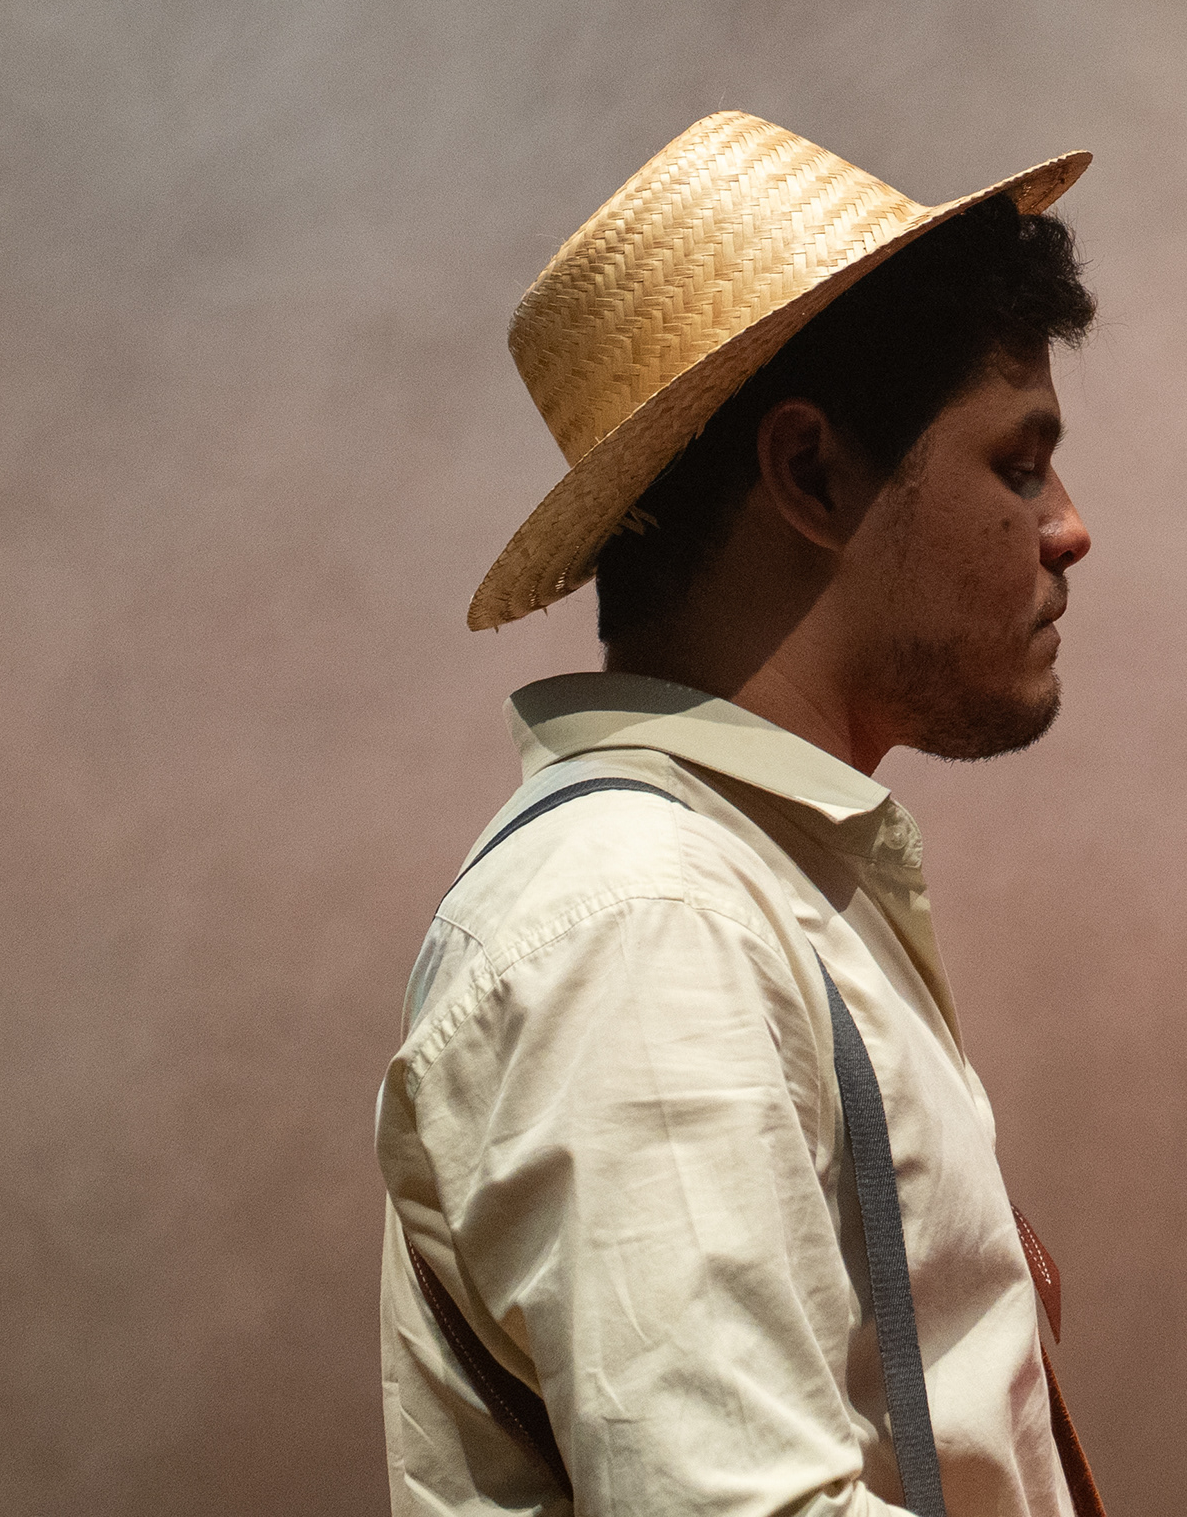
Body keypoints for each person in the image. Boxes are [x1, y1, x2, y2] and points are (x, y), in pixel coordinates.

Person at [379, 111, 1112, 1517]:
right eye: (1019, 464)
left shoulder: (730, 881)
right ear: (813, 474)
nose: (1068, 525)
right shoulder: (645, 921)